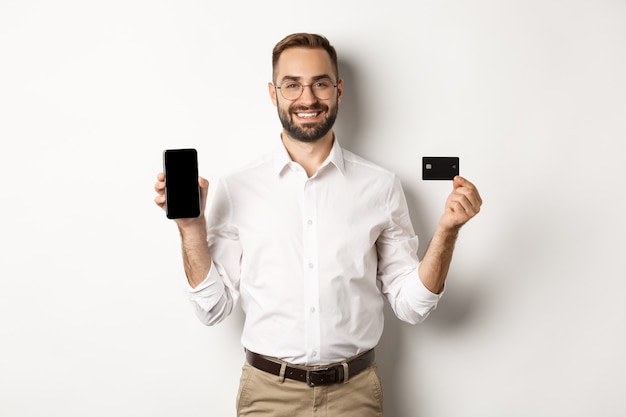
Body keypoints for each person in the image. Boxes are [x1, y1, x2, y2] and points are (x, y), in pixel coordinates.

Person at [154, 32, 482, 417]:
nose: (307, 99)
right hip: (267, 397)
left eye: (320, 84)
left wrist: (447, 231)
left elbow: (412, 306)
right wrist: (191, 228)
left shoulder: (381, 186)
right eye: (292, 85)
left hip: (355, 396)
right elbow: (212, 309)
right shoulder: (237, 187)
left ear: (338, 89)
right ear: (273, 93)